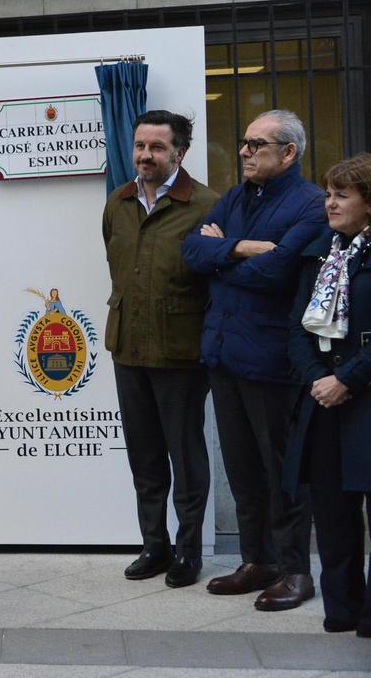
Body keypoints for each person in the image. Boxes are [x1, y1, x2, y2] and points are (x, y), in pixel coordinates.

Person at [182, 109, 326, 611]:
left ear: (288, 153)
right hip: (225, 355)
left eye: (256, 144)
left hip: (271, 361)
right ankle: (257, 560)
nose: (244, 151)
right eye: (244, 142)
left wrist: (221, 259)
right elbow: (191, 252)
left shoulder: (310, 205)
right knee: (242, 469)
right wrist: (240, 249)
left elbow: (279, 274)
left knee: (281, 471)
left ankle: (294, 570)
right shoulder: (238, 197)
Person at [103, 110, 219, 587]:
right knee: (144, 457)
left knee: (185, 457)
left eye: (156, 147)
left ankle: (188, 551)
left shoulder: (208, 206)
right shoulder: (119, 201)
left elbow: (218, 280)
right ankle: (155, 544)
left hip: (180, 354)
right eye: (139, 146)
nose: (145, 156)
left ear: (179, 153)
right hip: (128, 349)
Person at [284, 153, 371, 637]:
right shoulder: (323, 250)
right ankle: (341, 609)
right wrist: (319, 377)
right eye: (328, 193)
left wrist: (348, 379)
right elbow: (297, 326)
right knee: (333, 517)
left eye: (342, 194)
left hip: (363, 396)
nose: (330, 202)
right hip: (323, 401)